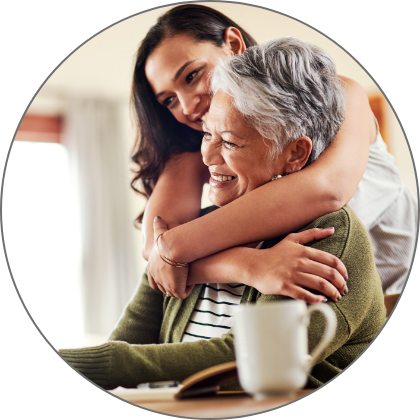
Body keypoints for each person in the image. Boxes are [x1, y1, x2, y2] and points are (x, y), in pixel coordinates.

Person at [59, 38, 387, 390]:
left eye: (230, 142)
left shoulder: (329, 234)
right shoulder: (196, 231)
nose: (209, 157)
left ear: (294, 154)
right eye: (205, 134)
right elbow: (129, 337)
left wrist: (110, 363)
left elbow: (250, 357)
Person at [133, 4, 417, 301]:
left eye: (192, 76)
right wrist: (249, 266)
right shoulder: (199, 147)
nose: (188, 106)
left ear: (232, 44)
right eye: (169, 100)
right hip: (329, 303)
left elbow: (327, 190)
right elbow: (156, 249)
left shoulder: (336, 95)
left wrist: (176, 249)